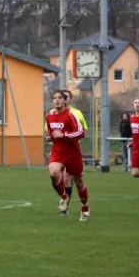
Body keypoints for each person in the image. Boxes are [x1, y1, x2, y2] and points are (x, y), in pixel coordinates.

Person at [45, 91, 90, 222]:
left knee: (79, 183)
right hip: (58, 151)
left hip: (73, 153)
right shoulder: (49, 116)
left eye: (59, 98)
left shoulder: (71, 116)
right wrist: (49, 137)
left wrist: (64, 135)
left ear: (65, 101)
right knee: (53, 173)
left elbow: (81, 133)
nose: (57, 100)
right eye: (54, 98)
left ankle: (85, 207)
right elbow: (51, 133)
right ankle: (64, 196)